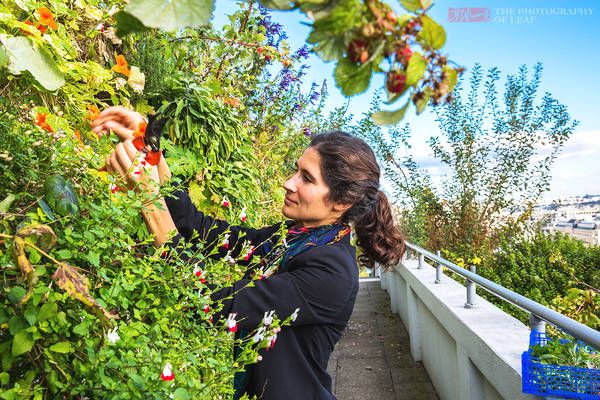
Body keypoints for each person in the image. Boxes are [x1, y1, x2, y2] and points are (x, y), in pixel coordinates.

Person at [92, 107, 405, 400]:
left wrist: (150, 202)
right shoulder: (295, 236)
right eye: (296, 171)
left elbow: (212, 307)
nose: (288, 183)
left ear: (341, 203)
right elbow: (202, 229)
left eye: (307, 179)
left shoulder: (330, 271)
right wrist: (153, 151)